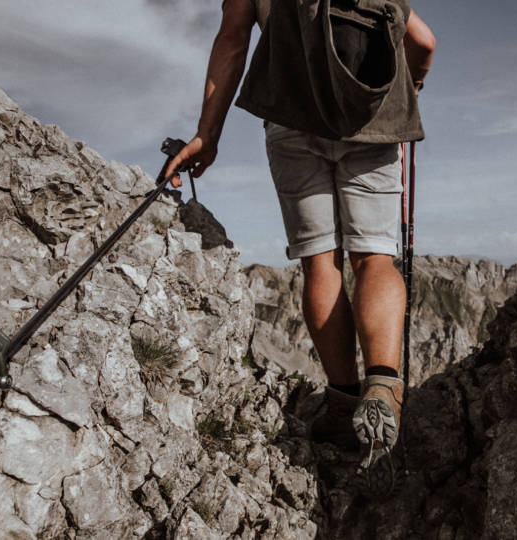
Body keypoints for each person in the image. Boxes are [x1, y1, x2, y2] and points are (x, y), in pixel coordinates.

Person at [165, 0, 435, 462]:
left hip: (292, 120)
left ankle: (342, 404)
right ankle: (385, 385)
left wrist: (207, 134)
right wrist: (408, 88)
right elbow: (423, 41)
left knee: (320, 263)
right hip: (371, 121)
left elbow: (232, 40)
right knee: (373, 258)